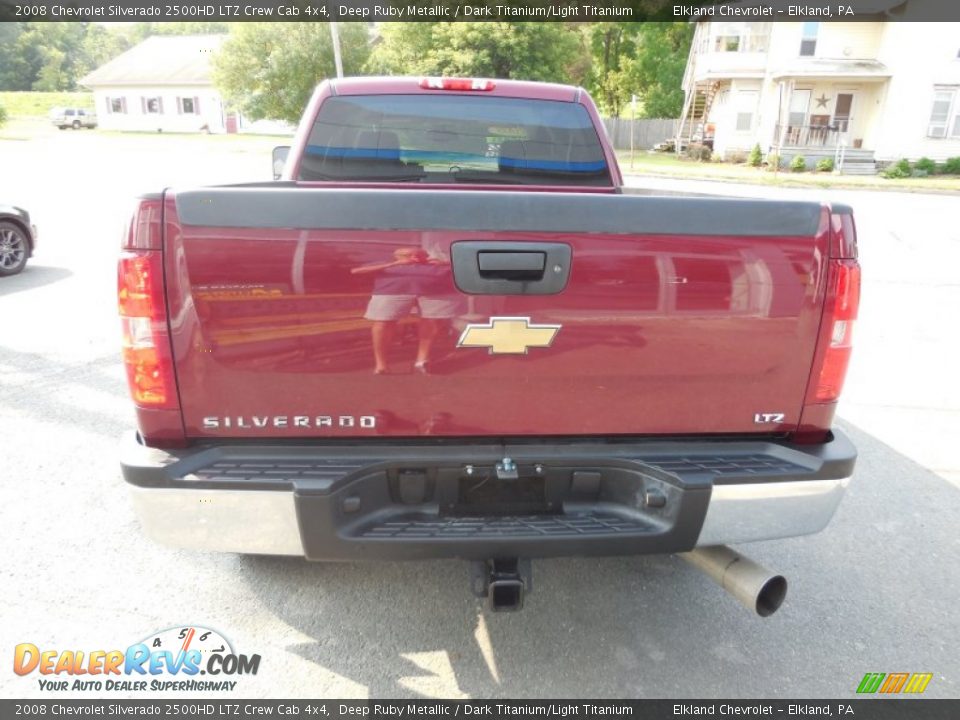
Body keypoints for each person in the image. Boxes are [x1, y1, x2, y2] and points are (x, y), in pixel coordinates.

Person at [351, 248, 461, 374]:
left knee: (432, 322)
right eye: (408, 255)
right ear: (396, 256)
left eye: (420, 254)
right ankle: (381, 365)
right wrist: (394, 264)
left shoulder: (436, 265)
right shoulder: (385, 263)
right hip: (391, 293)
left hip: (435, 293)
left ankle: (422, 361)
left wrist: (445, 263)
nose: (414, 257)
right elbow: (356, 271)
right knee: (383, 323)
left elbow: (469, 269)